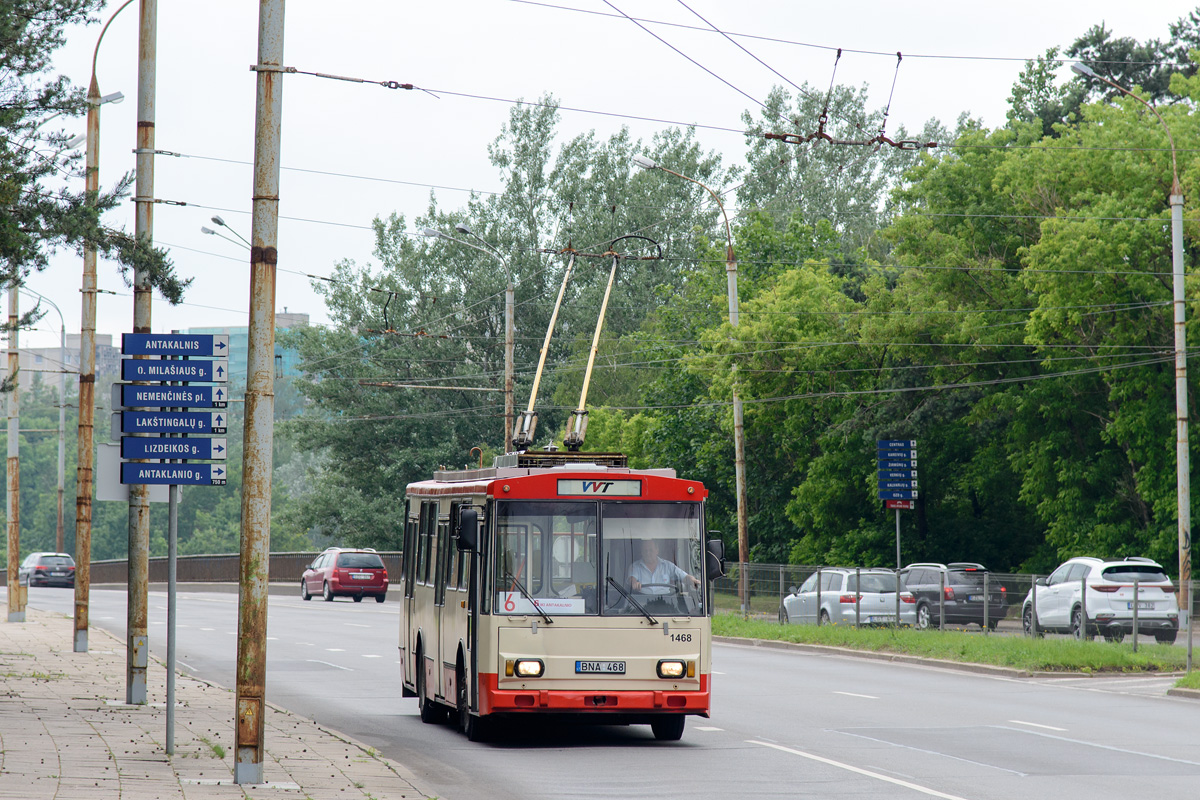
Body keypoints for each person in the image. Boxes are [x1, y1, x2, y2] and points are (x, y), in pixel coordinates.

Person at [628, 539, 700, 594]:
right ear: (641, 552)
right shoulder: (635, 566)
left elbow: (684, 576)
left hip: (665, 603)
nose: (648, 553)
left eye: (650, 550)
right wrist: (634, 584)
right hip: (640, 604)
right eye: (645, 550)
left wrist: (693, 581)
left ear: (657, 550)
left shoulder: (667, 566)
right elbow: (632, 579)